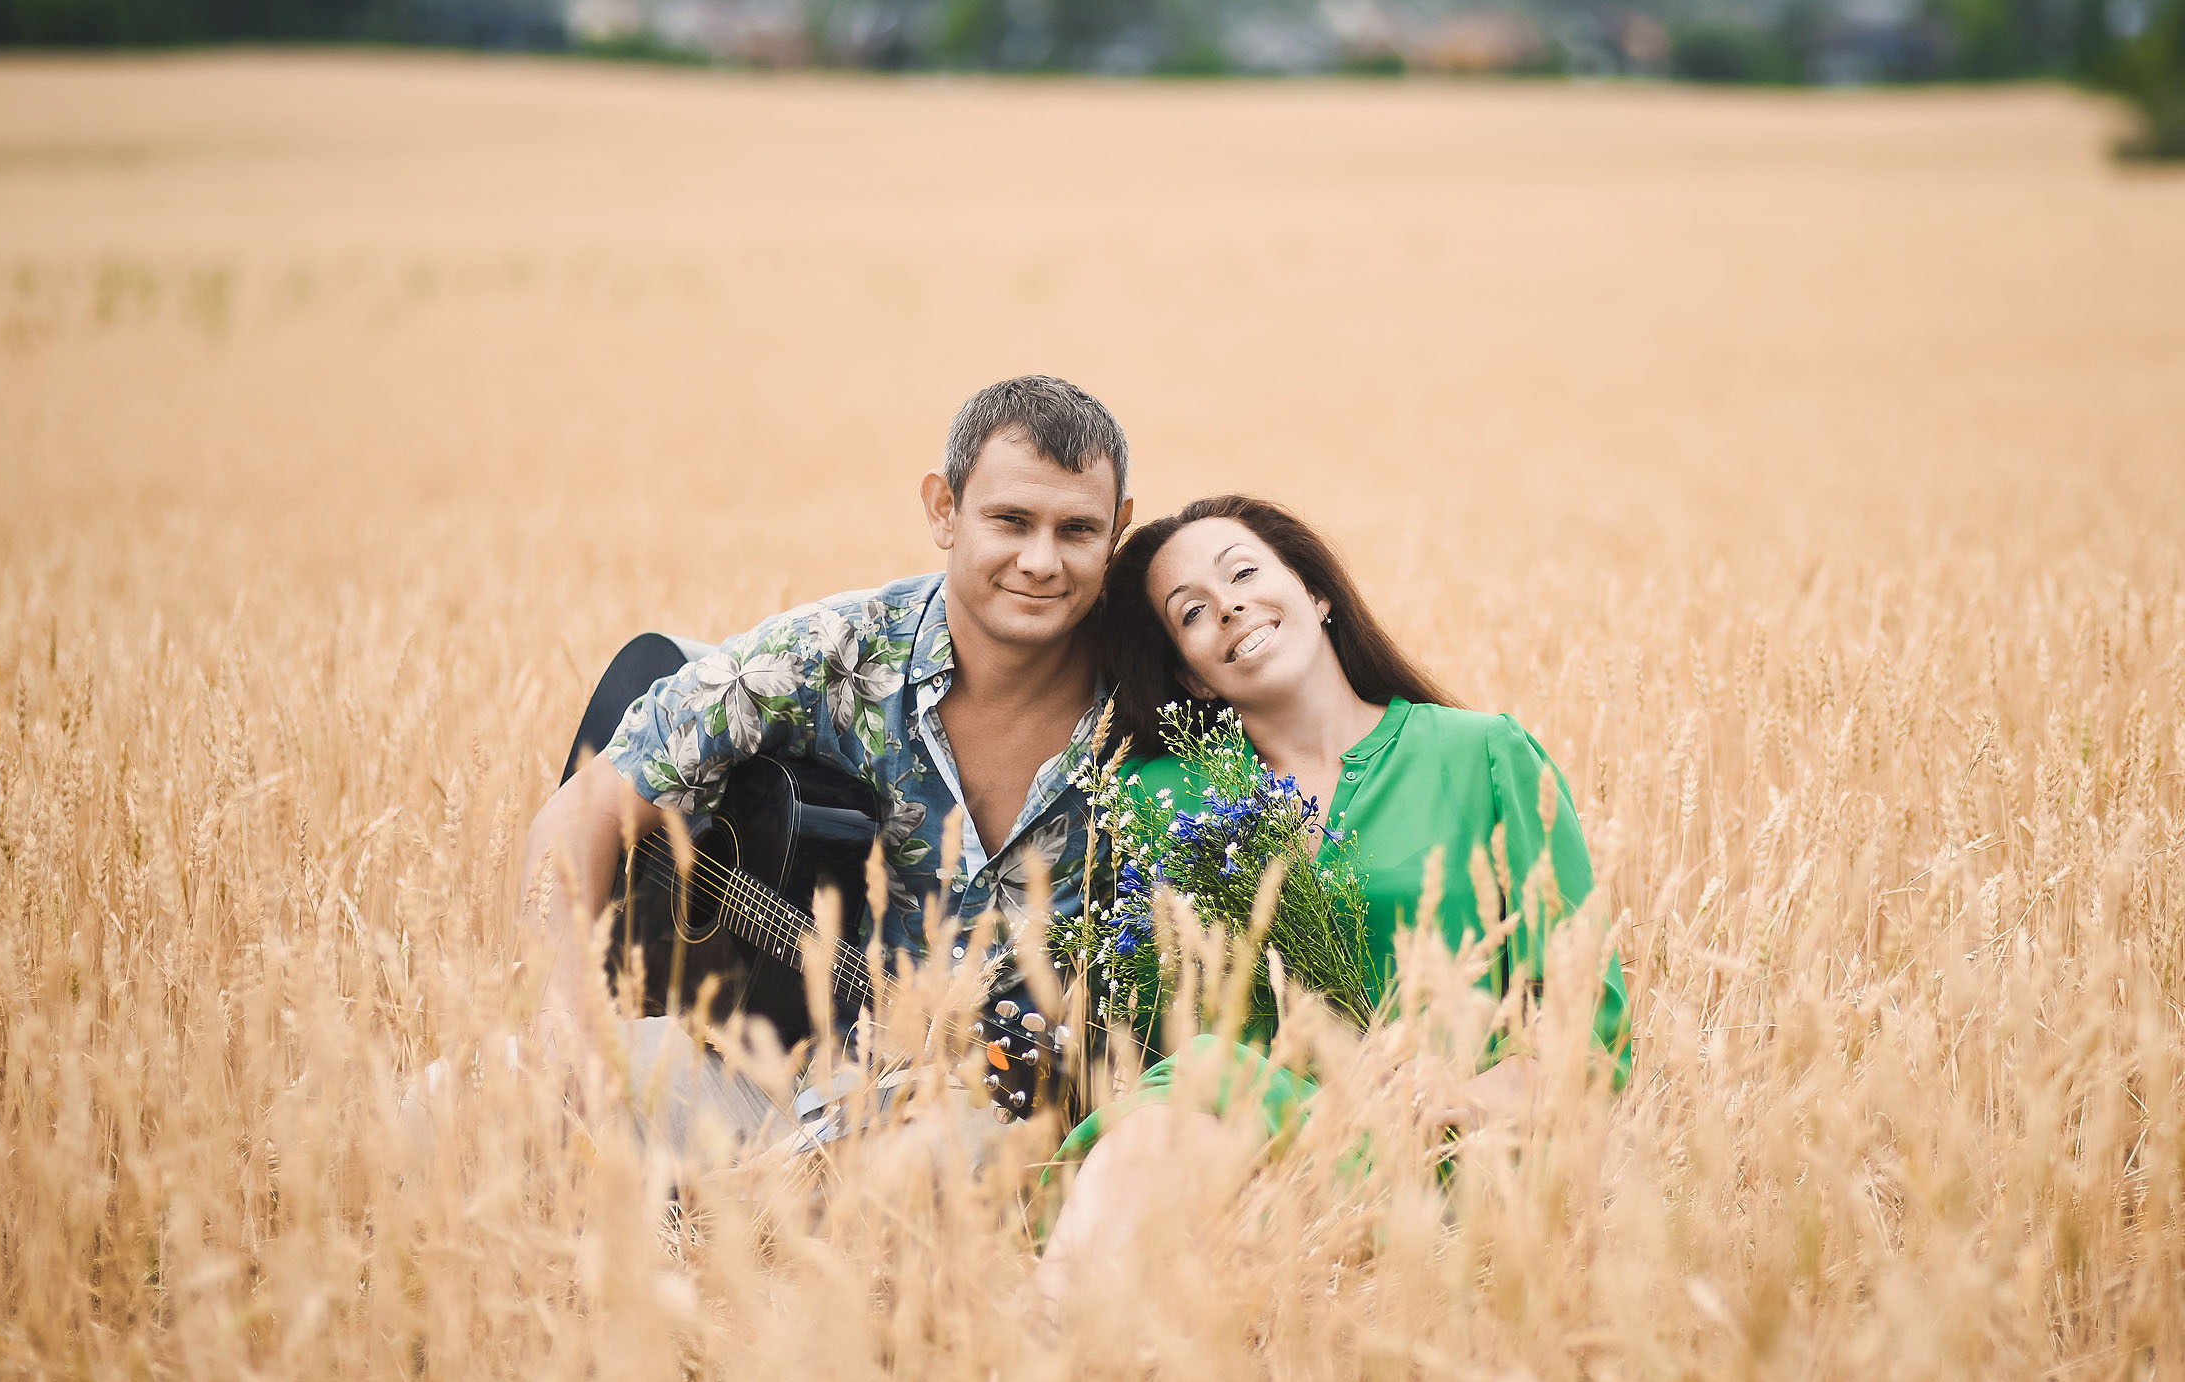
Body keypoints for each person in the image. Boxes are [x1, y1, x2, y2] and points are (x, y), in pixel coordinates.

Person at [516, 375, 1133, 1158]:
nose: (1040, 560)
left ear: (1118, 530)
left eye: (1077, 529)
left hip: (978, 1123)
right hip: (750, 1074)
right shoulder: (833, 652)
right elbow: (581, 811)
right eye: (1010, 520)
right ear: (944, 509)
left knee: (931, 1163)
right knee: (472, 1091)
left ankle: (727, 1216)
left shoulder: (1147, 710)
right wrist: (562, 1015)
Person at [1039, 494, 1628, 1288]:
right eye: (1192, 613)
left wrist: (1447, 1094)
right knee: (1175, 1123)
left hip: (1443, 1148)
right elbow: (1143, 1021)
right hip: (1246, 1130)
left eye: (1243, 572)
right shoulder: (1159, 798)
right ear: (1192, 676)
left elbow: (1589, 1033)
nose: (1229, 605)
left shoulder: (1479, 755)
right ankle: (1058, 1350)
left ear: (1317, 595)